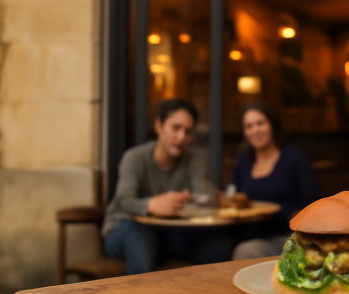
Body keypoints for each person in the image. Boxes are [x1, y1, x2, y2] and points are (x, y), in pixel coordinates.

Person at [102, 98, 231, 274]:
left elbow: (208, 199)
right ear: (158, 126)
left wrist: (187, 200)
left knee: (219, 245)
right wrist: (150, 205)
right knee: (141, 237)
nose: (181, 137)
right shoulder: (135, 158)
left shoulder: (195, 159)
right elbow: (123, 200)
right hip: (126, 229)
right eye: (176, 128)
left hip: (172, 231)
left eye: (188, 131)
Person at [231, 101, 322, 260]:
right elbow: (235, 194)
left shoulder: (293, 157)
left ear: (272, 124)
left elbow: (313, 204)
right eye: (249, 126)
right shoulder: (244, 160)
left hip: (286, 235)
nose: (255, 130)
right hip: (248, 231)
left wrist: (288, 214)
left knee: (246, 251)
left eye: (260, 123)